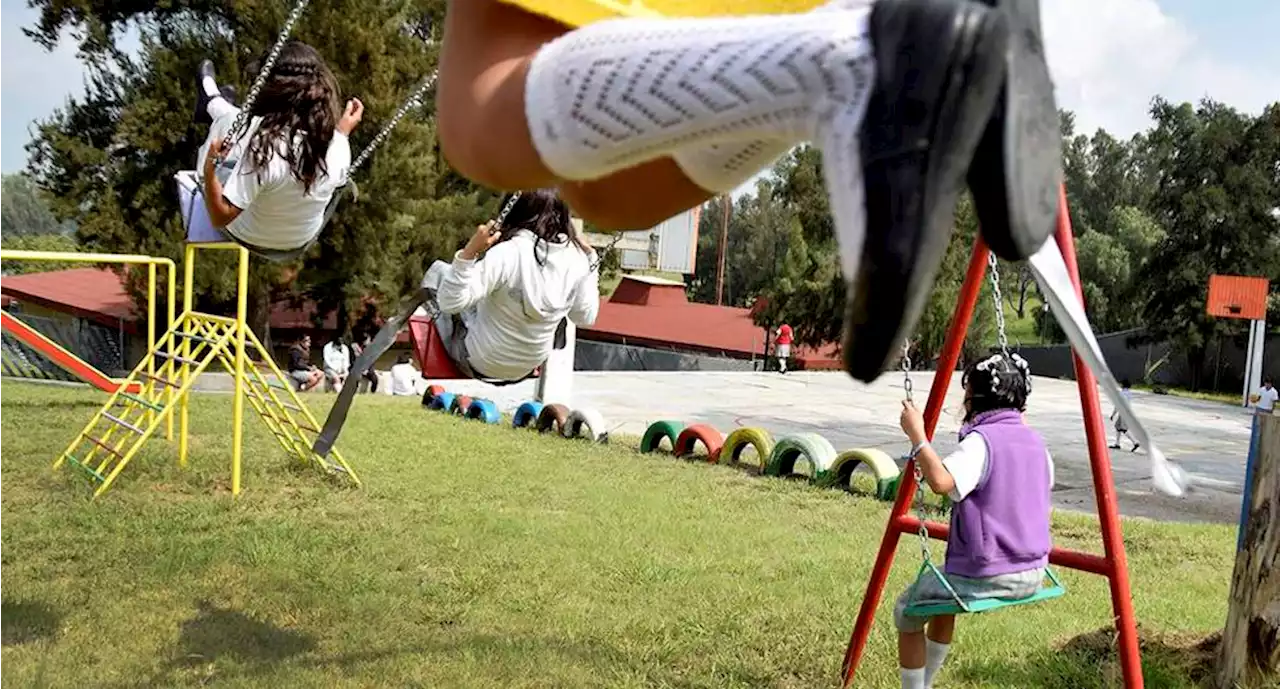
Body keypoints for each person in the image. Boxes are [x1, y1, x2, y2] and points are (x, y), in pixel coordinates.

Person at [434, 0, 1062, 383]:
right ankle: (854, 42)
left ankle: (856, 53)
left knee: (480, 114)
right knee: (613, 193)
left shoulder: (511, 257)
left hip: (491, 346)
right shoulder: (568, 258)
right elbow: (586, 314)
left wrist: (466, 260)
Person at [894, 352, 1053, 689]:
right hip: (1036, 571)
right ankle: (928, 682)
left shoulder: (982, 443)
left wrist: (917, 436)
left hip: (988, 575)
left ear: (974, 399)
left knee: (906, 611)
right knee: (941, 604)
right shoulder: (1038, 443)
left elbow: (941, 482)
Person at [186, 41, 365, 254]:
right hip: (299, 243)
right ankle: (213, 102)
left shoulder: (265, 149)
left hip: (248, 236)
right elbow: (331, 145)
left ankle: (211, 102)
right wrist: (343, 130)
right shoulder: (339, 146)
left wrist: (209, 169)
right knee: (242, 125)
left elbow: (219, 217)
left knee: (232, 122)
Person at [422, 189, 600, 383]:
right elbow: (584, 318)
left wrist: (468, 254)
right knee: (554, 307)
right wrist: (592, 260)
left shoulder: (507, 253)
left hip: (478, 362)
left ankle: (407, 337)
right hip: (528, 366)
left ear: (514, 210)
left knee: (440, 272)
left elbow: (450, 303)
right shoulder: (577, 259)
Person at [1110, 378, 1139, 452]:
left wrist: (1113, 414)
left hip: (1123, 413)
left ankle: (1135, 442)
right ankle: (1117, 444)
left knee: (1123, 429)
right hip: (1127, 412)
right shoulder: (1129, 393)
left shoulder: (1121, 393)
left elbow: (1117, 405)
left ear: (1123, 385)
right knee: (1117, 426)